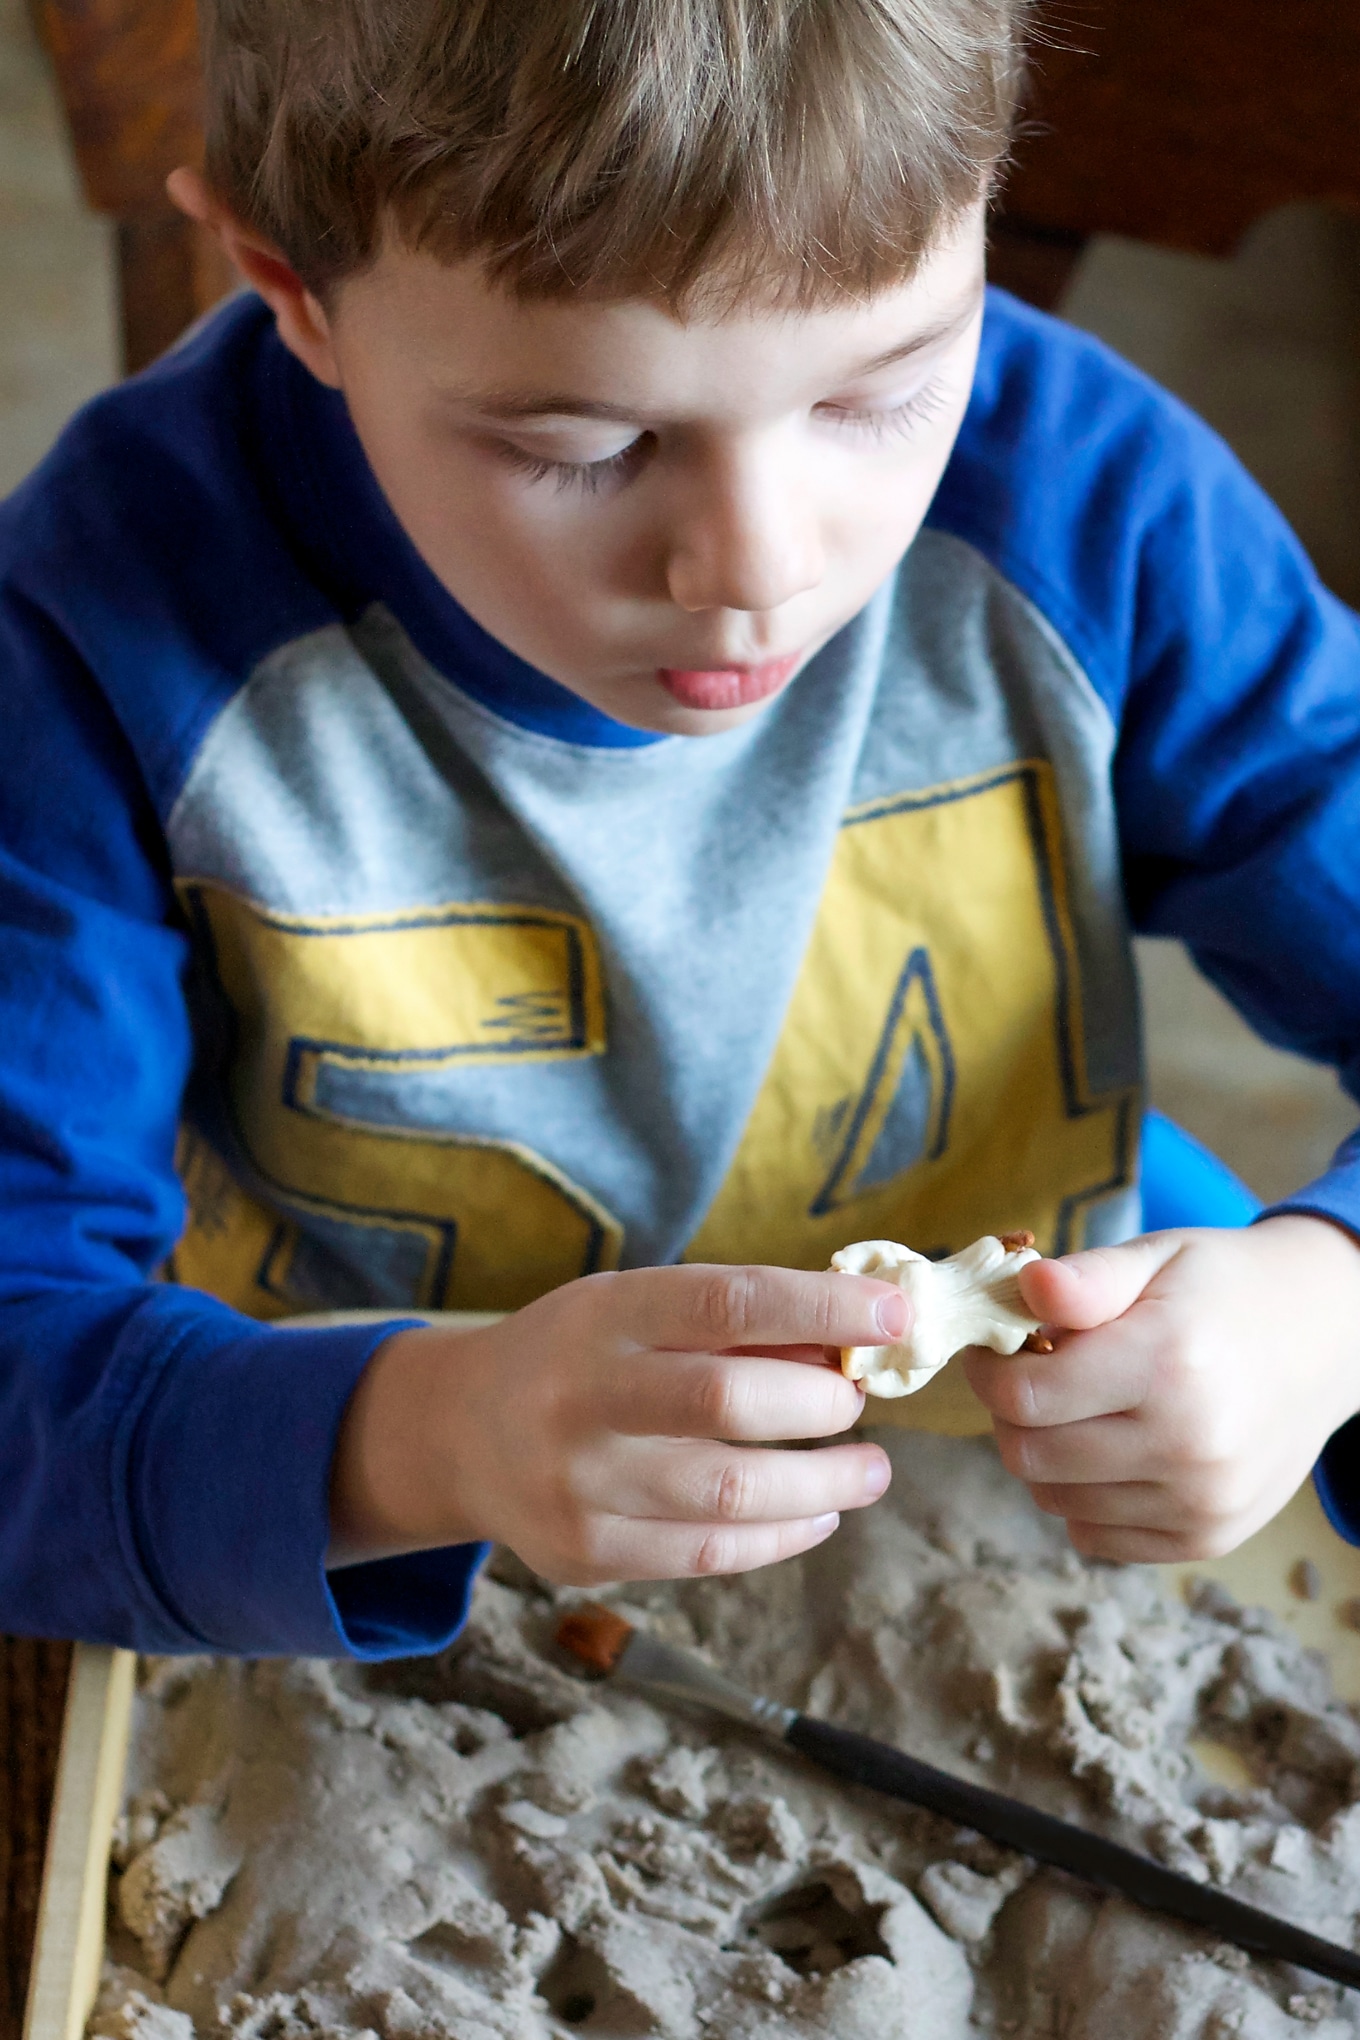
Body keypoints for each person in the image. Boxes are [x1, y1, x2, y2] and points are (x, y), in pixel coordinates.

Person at [3, 0, 1360, 1660]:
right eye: (585, 444)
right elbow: (25, 1378)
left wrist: (1328, 1302)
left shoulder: (1102, 512)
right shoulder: (91, 646)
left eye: (884, 391)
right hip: (361, 1498)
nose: (757, 566)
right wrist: (434, 1436)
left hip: (1011, 1470)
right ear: (294, 288)